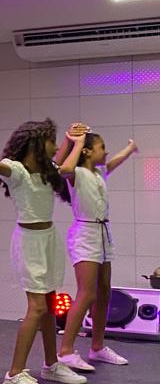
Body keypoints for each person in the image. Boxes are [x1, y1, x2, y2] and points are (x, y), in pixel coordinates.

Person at [0, 120, 87, 384]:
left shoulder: (47, 169)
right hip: (29, 243)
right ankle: (15, 374)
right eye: (51, 140)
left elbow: (60, 160)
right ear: (37, 144)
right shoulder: (17, 171)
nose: (55, 146)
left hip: (49, 239)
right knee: (37, 307)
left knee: (50, 304)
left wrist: (70, 139)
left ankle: (51, 365)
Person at [57, 128, 138, 371]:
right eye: (102, 147)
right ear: (87, 152)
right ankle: (66, 351)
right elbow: (63, 168)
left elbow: (113, 162)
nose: (106, 151)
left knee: (103, 292)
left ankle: (97, 347)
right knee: (87, 293)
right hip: (85, 234)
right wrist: (77, 142)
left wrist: (129, 149)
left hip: (103, 234)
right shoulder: (77, 173)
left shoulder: (99, 172)